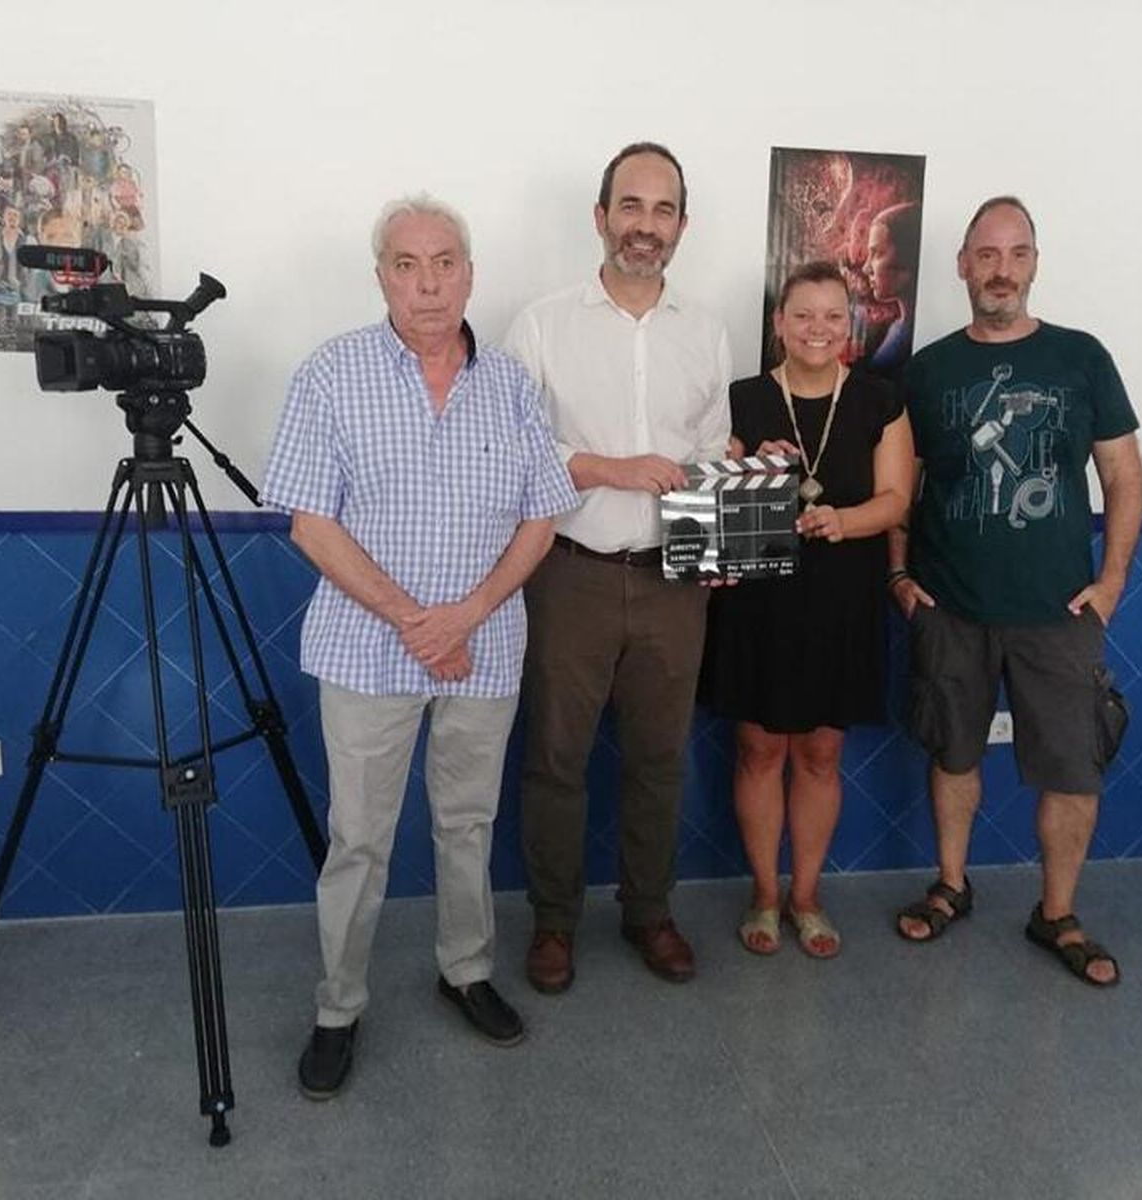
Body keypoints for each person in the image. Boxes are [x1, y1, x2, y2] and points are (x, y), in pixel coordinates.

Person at [262, 195, 578, 1099]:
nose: (428, 282)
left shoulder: (513, 383)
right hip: (369, 650)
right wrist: (414, 618)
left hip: (483, 645)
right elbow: (310, 523)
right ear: (381, 278)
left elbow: (541, 517)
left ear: (470, 273)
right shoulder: (331, 373)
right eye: (406, 264)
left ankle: (465, 969)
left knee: (466, 822)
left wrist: (466, 612)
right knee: (359, 836)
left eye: (445, 262)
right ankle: (337, 1006)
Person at [889, 196, 1142, 986]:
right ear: (963, 265)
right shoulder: (927, 369)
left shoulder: (1082, 357)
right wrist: (900, 574)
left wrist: (1112, 581)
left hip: (1059, 612)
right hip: (950, 604)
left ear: (1035, 262)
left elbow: (1123, 474)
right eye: (987, 255)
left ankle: (1056, 913)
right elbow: (902, 484)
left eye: (1018, 253)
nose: (1002, 270)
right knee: (954, 754)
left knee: (1073, 769)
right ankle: (952, 886)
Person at [505, 142, 731, 991]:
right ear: (600, 217)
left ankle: (649, 913)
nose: (645, 226)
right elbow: (515, 449)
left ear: (681, 226)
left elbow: (711, 451)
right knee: (556, 759)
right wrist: (609, 467)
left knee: (660, 760)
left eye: (663, 210)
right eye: (630, 207)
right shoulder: (542, 323)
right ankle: (554, 925)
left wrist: (722, 536)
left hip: (676, 582)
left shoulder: (705, 331)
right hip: (570, 574)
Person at [701, 261, 914, 957]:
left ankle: (807, 896)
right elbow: (714, 513)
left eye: (832, 316)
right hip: (760, 601)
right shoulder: (743, 398)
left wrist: (842, 523)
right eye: (803, 315)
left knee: (822, 752)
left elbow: (896, 501)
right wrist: (751, 469)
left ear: (850, 325)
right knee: (760, 747)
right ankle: (765, 894)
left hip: (844, 599)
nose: (817, 329)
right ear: (779, 324)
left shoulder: (881, 399)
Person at [864, 201, 920, 371]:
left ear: (908, 255)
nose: (866, 268)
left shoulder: (909, 338)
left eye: (878, 253)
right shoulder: (897, 329)